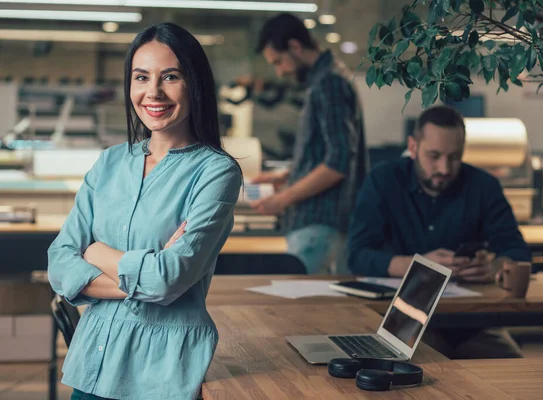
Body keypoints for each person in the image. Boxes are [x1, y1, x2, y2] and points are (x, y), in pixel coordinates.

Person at [47, 23, 242, 400]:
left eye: (170, 76)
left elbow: (171, 278)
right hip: (93, 363)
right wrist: (146, 278)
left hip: (162, 372)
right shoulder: (110, 162)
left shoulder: (217, 171)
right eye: (141, 77)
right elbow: (59, 261)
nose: (153, 92)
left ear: (194, 84)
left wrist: (96, 253)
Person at [347, 105, 530, 359]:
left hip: (471, 323)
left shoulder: (483, 186)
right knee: (425, 370)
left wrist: (496, 266)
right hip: (402, 319)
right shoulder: (383, 181)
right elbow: (356, 256)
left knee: (515, 376)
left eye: (454, 157)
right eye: (434, 156)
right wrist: (421, 267)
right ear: (413, 147)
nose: (444, 168)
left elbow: (517, 250)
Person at [250, 13, 368, 274]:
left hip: (320, 222)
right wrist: (286, 176)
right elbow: (326, 154)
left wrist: (282, 200)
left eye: (279, 62)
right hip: (319, 222)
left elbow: (338, 163)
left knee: (299, 311)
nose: (280, 71)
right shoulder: (326, 79)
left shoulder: (329, 83)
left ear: (295, 47)